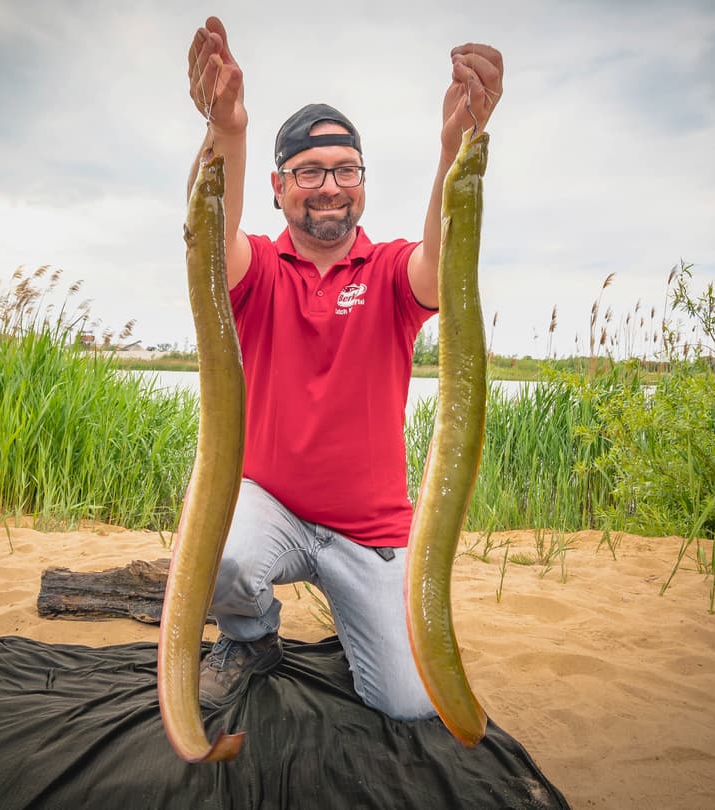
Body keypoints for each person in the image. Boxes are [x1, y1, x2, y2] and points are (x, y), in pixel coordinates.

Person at [185, 17, 503, 721]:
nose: (329, 186)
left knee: (410, 706)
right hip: (270, 508)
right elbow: (213, 234)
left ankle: (363, 618)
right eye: (309, 172)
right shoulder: (259, 269)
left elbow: (441, 260)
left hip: (372, 532)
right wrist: (229, 129)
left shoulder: (390, 270)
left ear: (362, 181)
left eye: (345, 170)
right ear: (279, 185)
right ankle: (250, 636)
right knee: (222, 556)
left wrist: (455, 145)